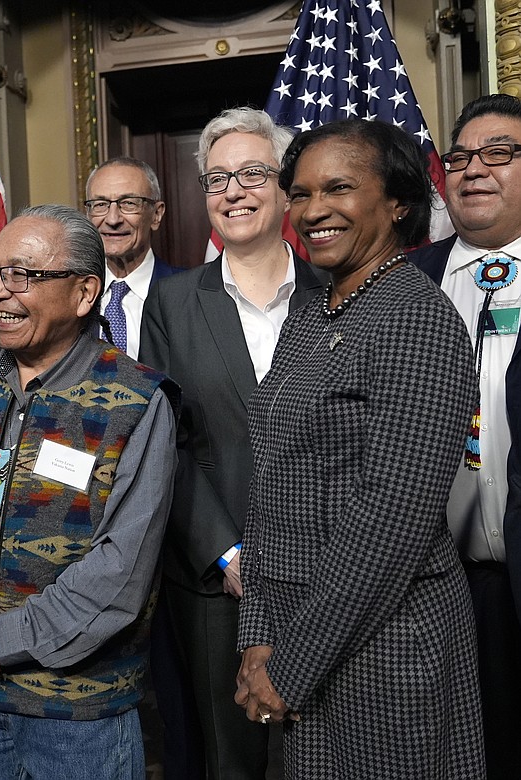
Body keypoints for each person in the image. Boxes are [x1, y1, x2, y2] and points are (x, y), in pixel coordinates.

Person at [235, 119, 484, 777]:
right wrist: (258, 636)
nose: (314, 210)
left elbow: (391, 519)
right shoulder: (315, 310)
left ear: (397, 202)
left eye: (339, 188)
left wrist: (291, 665)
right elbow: (268, 484)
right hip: (296, 635)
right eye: (301, 192)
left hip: (384, 640)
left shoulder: (415, 316)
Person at [0, 204, 178, 779]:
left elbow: (122, 568)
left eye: (22, 276)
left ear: (83, 293)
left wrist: (7, 638)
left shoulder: (137, 401)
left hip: (79, 718)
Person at [139, 108, 326, 780]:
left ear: (285, 189)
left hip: (330, 570)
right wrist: (225, 551)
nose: (234, 191)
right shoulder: (171, 302)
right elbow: (169, 444)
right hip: (222, 583)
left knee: (331, 752)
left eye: (253, 173)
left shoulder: (338, 293)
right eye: (217, 179)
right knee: (232, 758)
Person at [408, 93, 521, 779]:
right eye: (460, 157)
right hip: (434, 582)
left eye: (499, 153)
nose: (474, 169)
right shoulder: (406, 281)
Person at [83, 157, 179, 359]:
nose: (112, 219)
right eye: (100, 204)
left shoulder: (189, 296)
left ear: (156, 215)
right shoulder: (71, 295)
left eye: (128, 203)